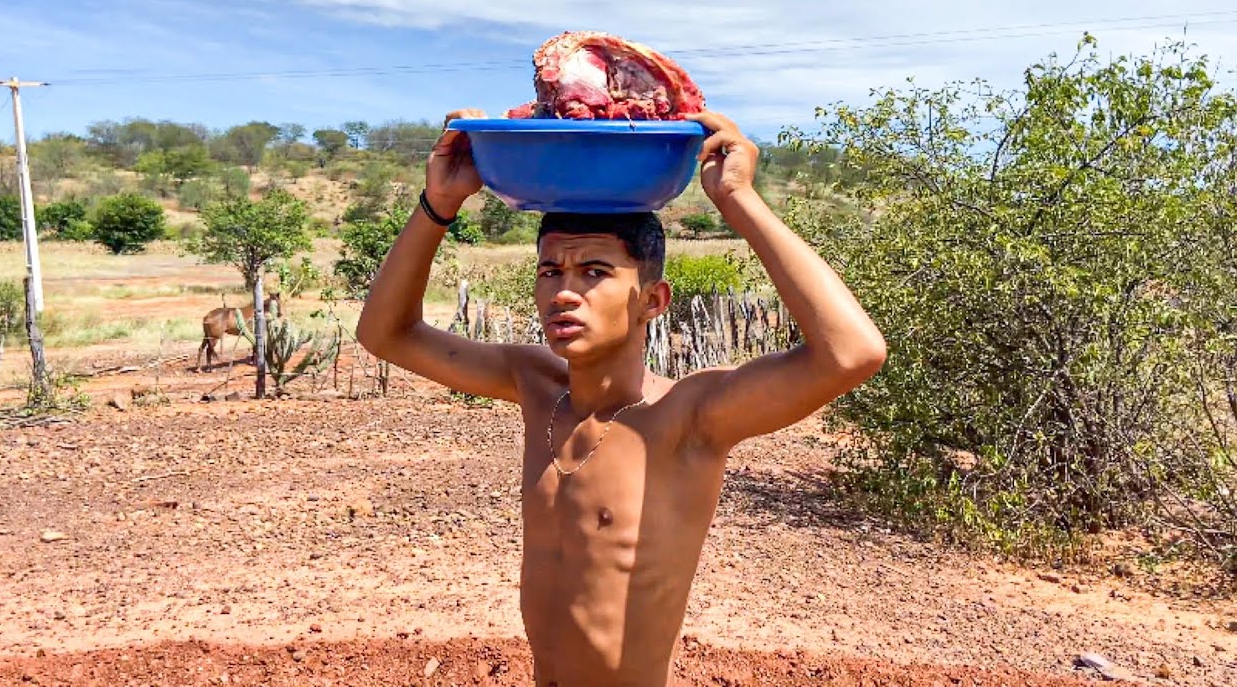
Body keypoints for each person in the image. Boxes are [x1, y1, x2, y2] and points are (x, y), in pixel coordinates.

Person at [357, 108, 887, 687]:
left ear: (652, 300)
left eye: (594, 272)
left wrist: (737, 199)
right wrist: (439, 205)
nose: (564, 292)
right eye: (550, 271)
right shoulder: (536, 386)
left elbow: (852, 353)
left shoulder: (688, 417)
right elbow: (386, 334)